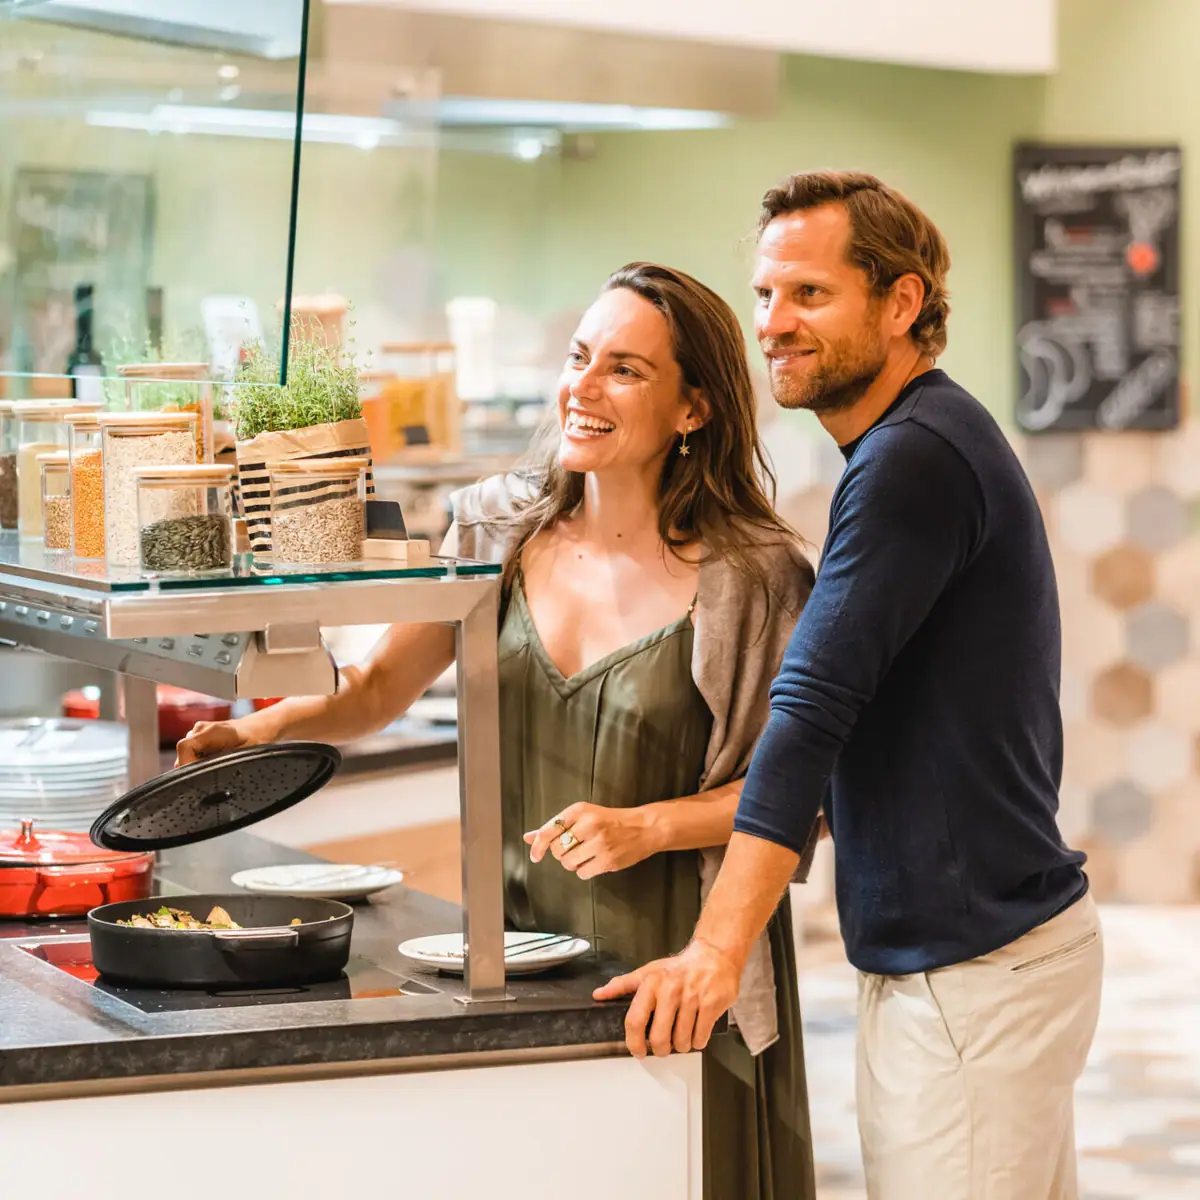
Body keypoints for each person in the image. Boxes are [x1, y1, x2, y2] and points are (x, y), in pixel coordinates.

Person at [177, 262, 819, 1200]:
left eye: (626, 370)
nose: (583, 388)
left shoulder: (754, 578)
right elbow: (374, 691)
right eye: (579, 358)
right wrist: (263, 729)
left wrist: (647, 825)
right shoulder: (497, 530)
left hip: (683, 966)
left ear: (694, 411)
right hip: (511, 950)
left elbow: (798, 797)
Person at [597, 173, 1103, 1200]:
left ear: (903, 302)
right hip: (996, 959)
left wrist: (713, 950)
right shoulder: (921, 440)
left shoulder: (912, 458)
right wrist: (655, 827)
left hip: (970, 977)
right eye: (766, 296)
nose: (774, 324)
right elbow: (869, 728)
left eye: (810, 295)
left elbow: (812, 708)